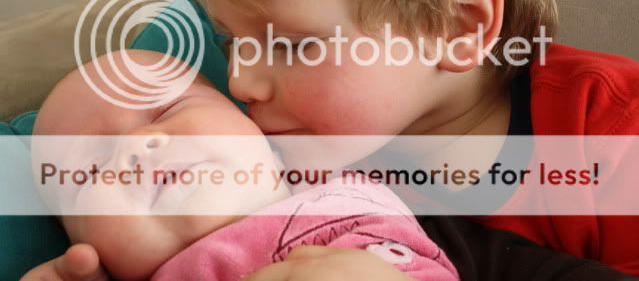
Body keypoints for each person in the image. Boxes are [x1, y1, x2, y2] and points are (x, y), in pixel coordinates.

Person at [165, 0, 638, 277]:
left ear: (459, 26)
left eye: (291, 45)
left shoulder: (612, 133)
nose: (239, 81)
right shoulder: (281, 159)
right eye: (229, 40)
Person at [22, 50, 458, 281]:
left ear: (255, 127)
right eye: (93, 169)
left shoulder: (358, 197)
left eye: (165, 111)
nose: (137, 146)